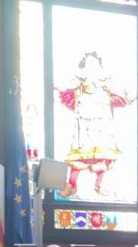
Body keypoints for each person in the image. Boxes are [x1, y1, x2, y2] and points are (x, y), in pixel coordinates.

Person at [56, 51, 132, 197]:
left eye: (94, 63)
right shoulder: (79, 85)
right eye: (88, 63)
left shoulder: (105, 85)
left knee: (103, 155)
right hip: (84, 127)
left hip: (101, 127)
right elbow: (67, 92)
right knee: (79, 156)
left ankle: (99, 183)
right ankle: (71, 184)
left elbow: (121, 98)